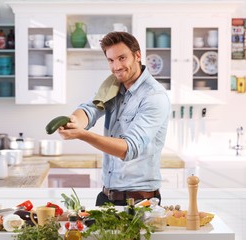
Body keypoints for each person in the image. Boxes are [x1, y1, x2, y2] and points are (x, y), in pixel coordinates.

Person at [58, 31, 171, 206]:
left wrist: (81, 134)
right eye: (111, 60)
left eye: (122, 58)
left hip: (140, 202)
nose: (116, 66)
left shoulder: (154, 96)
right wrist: (73, 122)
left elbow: (128, 148)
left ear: (137, 56)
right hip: (106, 197)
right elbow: (89, 109)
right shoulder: (113, 86)